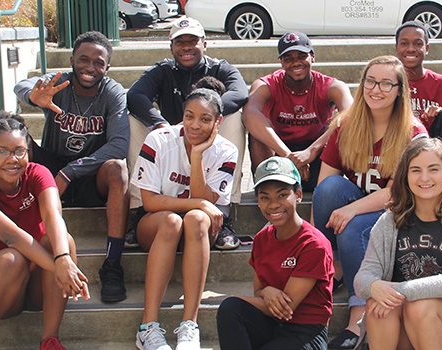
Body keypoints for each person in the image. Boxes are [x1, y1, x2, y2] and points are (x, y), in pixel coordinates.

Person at [312, 55, 428, 349]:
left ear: (400, 89)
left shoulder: (412, 131)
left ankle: (358, 317)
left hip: (400, 215)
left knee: (354, 228)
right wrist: (312, 244)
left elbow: (397, 194)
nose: (376, 89)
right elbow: (325, 184)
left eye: (386, 83)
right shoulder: (348, 125)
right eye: (370, 81)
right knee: (328, 190)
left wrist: (351, 210)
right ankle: (332, 268)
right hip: (359, 203)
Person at [14, 31, 131, 302]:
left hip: (89, 172)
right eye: (83, 59)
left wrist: (70, 171)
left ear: (107, 67)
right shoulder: (58, 83)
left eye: (98, 62)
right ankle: (20, 234)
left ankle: (112, 265)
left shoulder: (112, 92)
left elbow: (118, 146)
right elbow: (21, 84)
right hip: (49, 167)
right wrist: (34, 98)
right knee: (15, 133)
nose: (90, 67)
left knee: (118, 169)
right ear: (71, 60)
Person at [0, 111, 89, 350]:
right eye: (2, 151)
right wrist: (61, 267)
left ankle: (50, 340)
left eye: (20, 150)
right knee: (12, 258)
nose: (12, 159)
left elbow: (53, 216)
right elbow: (12, 237)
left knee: (62, 241)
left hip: (39, 279)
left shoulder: (38, 173)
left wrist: (62, 258)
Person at [130, 79, 238, 350]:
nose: (194, 125)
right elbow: (150, 201)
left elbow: (207, 204)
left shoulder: (226, 151)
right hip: (156, 226)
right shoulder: (158, 139)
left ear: (218, 122)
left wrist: (198, 155)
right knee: (171, 220)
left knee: (198, 218)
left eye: (204, 119)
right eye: (189, 116)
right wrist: (197, 204)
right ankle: (148, 327)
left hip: (197, 231)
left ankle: (189, 326)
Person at [127, 17, 249, 249]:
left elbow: (240, 92)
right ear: (171, 46)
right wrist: (158, 122)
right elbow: (135, 95)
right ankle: (138, 210)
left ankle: (224, 213)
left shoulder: (219, 67)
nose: (186, 47)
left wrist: (205, 114)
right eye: (179, 42)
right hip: (170, 137)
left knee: (234, 119)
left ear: (204, 43)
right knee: (133, 121)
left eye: (192, 41)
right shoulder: (163, 70)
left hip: (207, 136)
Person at [354, 137, 442, 350]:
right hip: (401, 322)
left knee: (419, 306)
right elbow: (362, 278)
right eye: (415, 170)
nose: (425, 178)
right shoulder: (390, 221)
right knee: (377, 304)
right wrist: (374, 286)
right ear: (405, 176)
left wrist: (399, 291)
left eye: (433, 169)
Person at [217, 156, 334, 350]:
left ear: (297, 195)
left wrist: (266, 293)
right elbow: (259, 293)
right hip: (272, 325)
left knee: (231, 304)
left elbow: (285, 308)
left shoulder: (314, 244)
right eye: (265, 198)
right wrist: (267, 291)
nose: (273, 205)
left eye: (282, 195)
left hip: (306, 332)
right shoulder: (262, 239)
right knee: (231, 310)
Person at [242, 31, 353, 191]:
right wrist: (289, 157)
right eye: (289, 59)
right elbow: (249, 115)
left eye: (302, 56)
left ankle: (328, 191)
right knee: (257, 133)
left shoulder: (332, 86)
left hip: (317, 154)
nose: (296, 63)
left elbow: (351, 115)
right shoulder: (266, 84)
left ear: (312, 56)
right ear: (281, 62)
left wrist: (311, 151)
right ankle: (267, 189)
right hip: (279, 153)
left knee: (340, 126)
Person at [395, 21, 442, 182]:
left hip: (435, 148)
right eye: (404, 43)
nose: (410, 48)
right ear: (396, 49)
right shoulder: (389, 82)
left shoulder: (441, 83)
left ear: (427, 49)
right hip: (399, 149)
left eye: (418, 43)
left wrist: (441, 114)